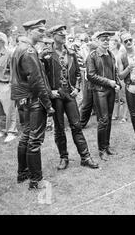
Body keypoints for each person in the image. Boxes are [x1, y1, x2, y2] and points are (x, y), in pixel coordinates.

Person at [41, 25, 99, 170]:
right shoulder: (46, 54)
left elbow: (79, 73)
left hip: (69, 93)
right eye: (60, 34)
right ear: (53, 35)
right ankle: (64, 157)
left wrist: (77, 88)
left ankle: (85, 157)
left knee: (76, 125)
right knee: (59, 128)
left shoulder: (71, 52)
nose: (63, 36)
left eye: (64, 34)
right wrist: (50, 92)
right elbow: (42, 77)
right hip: (56, 95)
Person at [11, 19, 55, 190]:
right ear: (29, 31)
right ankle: (36, 180)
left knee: (26, 136)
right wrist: (47, 103)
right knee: (34, 140)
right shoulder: (28, 50)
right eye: (40, 31)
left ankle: (23, 173)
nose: (43, 34)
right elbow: (36, 81)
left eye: (44, 31)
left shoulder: (19, 48)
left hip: (22, 99)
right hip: (33, 99)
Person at [86, 31, 122, 161]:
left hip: (111, 91)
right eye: (103, 40)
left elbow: (115, 71)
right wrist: (109, 82)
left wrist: (117, 83)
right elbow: (91, 75)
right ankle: (101, 150)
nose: (106, 42)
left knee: (109, 118)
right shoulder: (92, 56)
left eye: (107, 39)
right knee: (103, 120)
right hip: (99, 91)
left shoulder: (111, 55)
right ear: (97, 41)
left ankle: (107, 146)